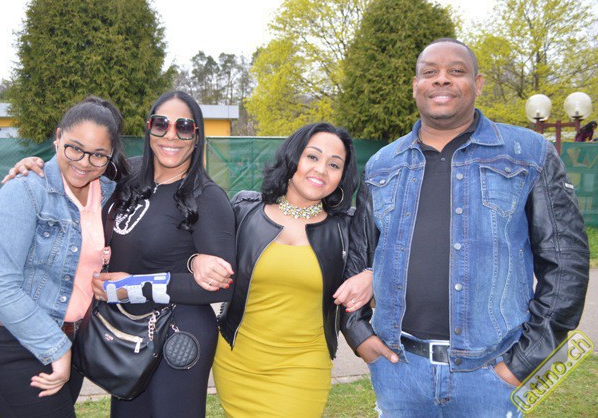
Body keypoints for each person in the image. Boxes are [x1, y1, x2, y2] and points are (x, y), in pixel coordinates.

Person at [348, 38, 590, 417]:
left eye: (456, 71)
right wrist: (359, 334)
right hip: (399, 372)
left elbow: (566, 263)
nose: (441, 79)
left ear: (477, 84)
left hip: (492, 375)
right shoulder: (382, 165)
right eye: (430, 72)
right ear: (416, 85)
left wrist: (523, 363)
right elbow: (355, 259)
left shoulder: (529, 154)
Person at [6, 90, 236, 417]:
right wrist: (38, 166)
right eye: (161, 124)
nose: (171, 135)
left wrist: (133, 287)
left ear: (196, 136)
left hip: (178, 333)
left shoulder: (207, 198)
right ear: (149, 128)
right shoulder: (128, 174)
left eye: (184, 127)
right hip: (126, 330)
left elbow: (224, 286)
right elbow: (78, 167)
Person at [191, 122, 375, 417]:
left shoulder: (348, 228)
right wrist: (196, 260)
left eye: (334, 164)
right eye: (312, 156)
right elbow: (187, 247)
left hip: (303, 368)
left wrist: (371, 276)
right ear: (293, 157)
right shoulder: (243, 210)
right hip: (236, 361)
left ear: (342, 176)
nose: (321, 170)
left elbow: (398, 268)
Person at [0, 96, 129, 417]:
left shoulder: (110, 194)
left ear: (110, 155)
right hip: (13, 346)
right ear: (58, 137)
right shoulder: (26, 189)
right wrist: (56, 349)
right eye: (74, 148)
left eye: (98, 154)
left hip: (70, 344)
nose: (84, 162)